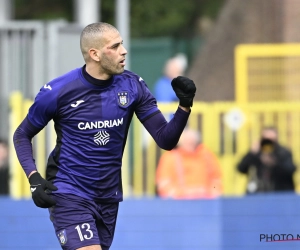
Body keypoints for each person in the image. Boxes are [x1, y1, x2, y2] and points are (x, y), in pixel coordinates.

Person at [13, 22, 196, 250]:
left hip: (108, 197)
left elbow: (165, 139)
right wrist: (33, 178)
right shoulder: (59, 91)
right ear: (95, 54)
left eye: (122, 44)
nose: (124, 50)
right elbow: (22, 134)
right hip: (70, 192)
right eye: (115, 46)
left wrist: (184, 106)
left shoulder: (133, 86)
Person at [156, 128, 222, 199]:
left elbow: (216, 180)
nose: (190, 144)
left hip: (205, 203)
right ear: (179, 142)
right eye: (187, 141)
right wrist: (185, 193)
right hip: (178, 204)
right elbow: (164, 185)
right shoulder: (169, 158)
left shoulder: (207, 156)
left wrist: (208, 193)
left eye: (192, 141)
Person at [237, 126, 296, 194]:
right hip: (258, 193)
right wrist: (251, 153)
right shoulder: (256, 152)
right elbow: (241, 169)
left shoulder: (283, 152)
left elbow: (290, 170)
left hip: (279, 193)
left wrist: (273, 163)